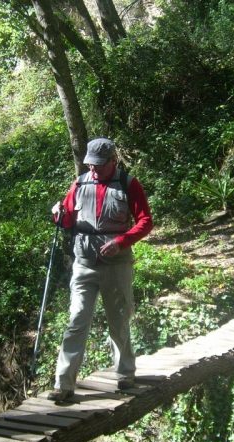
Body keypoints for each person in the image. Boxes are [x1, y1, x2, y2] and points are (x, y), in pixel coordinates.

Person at [48, 138, 153, 402]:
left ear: (112, 162)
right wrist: (58, 213)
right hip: (83, 263)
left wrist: (120, 242)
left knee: (118, 320)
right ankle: (64, 384)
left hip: (116, 266)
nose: (93, 170)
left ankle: (125, 375)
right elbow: (68, 219)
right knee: (76, 321)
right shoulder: (80, 183)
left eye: (98, 165)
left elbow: (145, 221)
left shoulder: (129, 184)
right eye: (90, 165)